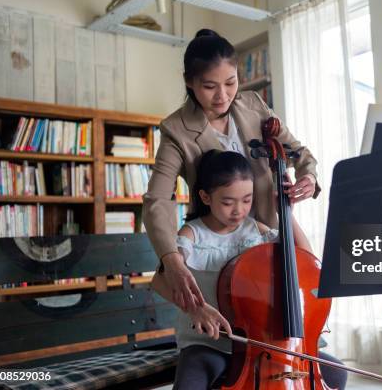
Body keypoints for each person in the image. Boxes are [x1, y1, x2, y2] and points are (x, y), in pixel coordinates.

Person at [143, 28, 320, 314]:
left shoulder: (254, 105)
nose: (222, 96)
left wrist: (308, 176)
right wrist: (172, 259)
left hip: (266, 236)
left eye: (230, 82)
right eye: (209, 86)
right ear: (189, 82)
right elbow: (157, 201)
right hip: (218, 241)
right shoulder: (176, 130)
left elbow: (297, 152)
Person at [152, 150, 347, 389]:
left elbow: (304, 258)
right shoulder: (192, 235)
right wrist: (196, 309)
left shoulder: (255, 230)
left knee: (336, 374)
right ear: (205, 197)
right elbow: (160, 281)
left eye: (247, 200)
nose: (238, 211)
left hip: (259, 345)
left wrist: (285, 213)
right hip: (210, 344)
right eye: (227, 202)